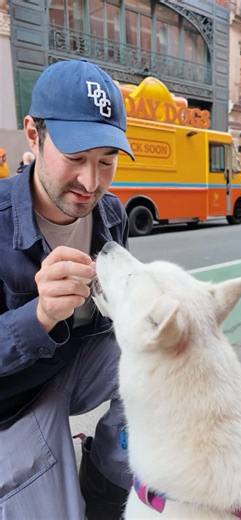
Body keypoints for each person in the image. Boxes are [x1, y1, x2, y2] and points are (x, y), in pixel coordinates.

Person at [0, 59, 135, 520]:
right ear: (33, 137)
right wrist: (35, 318)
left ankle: (106, 484)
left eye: (106, 161)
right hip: (12, 404)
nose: (92, 183)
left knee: (162, 352)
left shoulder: (111, 214)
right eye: (75, 158)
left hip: (77, 366)